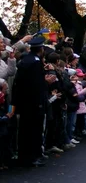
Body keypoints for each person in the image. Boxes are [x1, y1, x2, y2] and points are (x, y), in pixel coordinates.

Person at [12, 35, 50, 167]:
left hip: (24, 102)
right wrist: (46, 83)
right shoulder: (36, 62)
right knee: (35, 130)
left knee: (24, 130)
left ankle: (24, 155)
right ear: (41, 49)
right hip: (34, 102)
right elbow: (36, 85)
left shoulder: (24, 61)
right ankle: (34, 156)